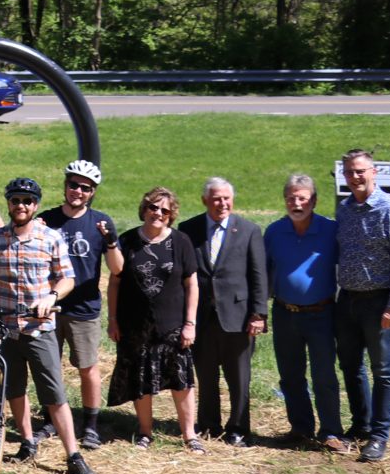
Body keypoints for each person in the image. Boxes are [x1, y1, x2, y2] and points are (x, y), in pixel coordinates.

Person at [0, 177, 96, 474]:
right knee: (13, 390)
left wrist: (50, 298)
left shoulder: (49, 238)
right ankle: (27, 441)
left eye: (27, 201)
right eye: (15, 201)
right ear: (9, 204)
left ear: (35, 205)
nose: (21, 206)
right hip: (6, 327)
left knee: (54, 394)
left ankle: (73, 455)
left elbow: (67, 278)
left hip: (38, 327)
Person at [105, 186, 202, 450]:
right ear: (144, 209)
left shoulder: (181, 242)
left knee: (181, 380)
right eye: (153, 207)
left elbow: (191, 284)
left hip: (172, 324)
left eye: (164, 210)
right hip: (134, 325)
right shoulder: (127, 241)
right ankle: (146, 432)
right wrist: (112, 319)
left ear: (171, 215)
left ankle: (189, 435)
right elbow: (114, 281)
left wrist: (190, 324)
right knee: (141, 380)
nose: (157, 213)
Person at [335, 148, 390, 462]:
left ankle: (379, 436)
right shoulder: (343, 210)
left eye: (360, 171)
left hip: (379, 301)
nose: (355, 177)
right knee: (351, 368)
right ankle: (361, 425)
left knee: (382, 371)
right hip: (347, 300)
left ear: (374, 173)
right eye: (349, 172)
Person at [177, 178, 268, 445]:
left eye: (227, 198)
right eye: (216, 198)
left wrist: (259, 314)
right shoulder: (188, 230)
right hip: (202, 318)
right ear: (205, 200)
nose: (222, 203)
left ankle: (239, 428)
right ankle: (208, 424)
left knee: (239, 379)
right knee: (206, 375)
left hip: (238, 318)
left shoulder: (249, 230)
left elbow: (258, 275)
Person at [36, 159, 118, 449]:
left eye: (86, 188)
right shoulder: (47, 219)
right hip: (49, 306)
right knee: (49, 368)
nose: (78, 191)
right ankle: (50, 420)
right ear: (65, 185)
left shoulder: (100, 222)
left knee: (87, 368)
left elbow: (117, 269)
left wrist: (110, 242)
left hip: (84, 309)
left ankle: (91, 423)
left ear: (92, 192)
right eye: (74, 185)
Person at [264, 173, 347, 451]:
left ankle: (331, 431)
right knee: (290, 375)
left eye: (302, 198)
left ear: (314, 200)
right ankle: (300, 428)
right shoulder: (274, 232)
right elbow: (263, 272)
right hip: (285, 312)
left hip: (321, 314)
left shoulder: (330, 230)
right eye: (291, 198)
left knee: (324, 374)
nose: (296, 203)